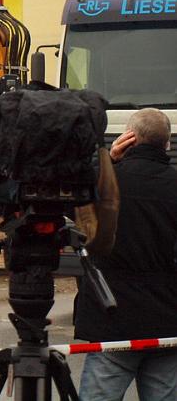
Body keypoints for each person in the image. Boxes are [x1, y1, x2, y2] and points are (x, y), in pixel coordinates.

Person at [76, 108, 177, 400]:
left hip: (112, 319)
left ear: (127, 139)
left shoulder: (108, 185)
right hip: (167, 321)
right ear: (167, 144)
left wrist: (108, 160)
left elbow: (78, 201)